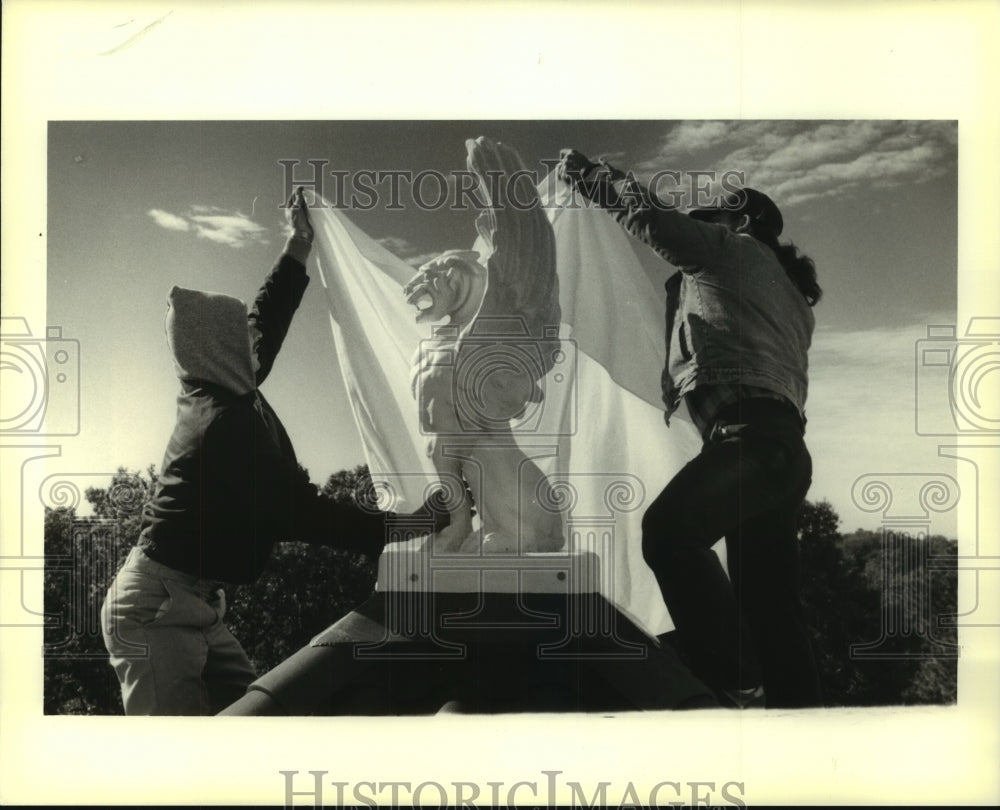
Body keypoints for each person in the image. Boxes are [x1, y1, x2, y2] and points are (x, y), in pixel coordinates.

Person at [101, 189, 445, 715]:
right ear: (222, 349)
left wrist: (298, 245)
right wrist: (413, 524)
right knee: (178, 758)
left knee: (252, 714)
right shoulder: (222, 428)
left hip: (190, 598)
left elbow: (266, 319)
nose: (250, 338)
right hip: (156, 608)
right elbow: (306, 516)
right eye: (238, 335)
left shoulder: (221, 380)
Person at [558, 149, 823, 708]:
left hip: (749, 441)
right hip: (782, 452)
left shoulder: (735, 251)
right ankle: (801, 725)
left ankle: (728, 678)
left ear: (742, 222)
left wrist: (591, 176)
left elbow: (653, 220)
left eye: (711, 220)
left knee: (670, 533)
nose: (701, 228)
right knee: (772, 606)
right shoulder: (793, 297)